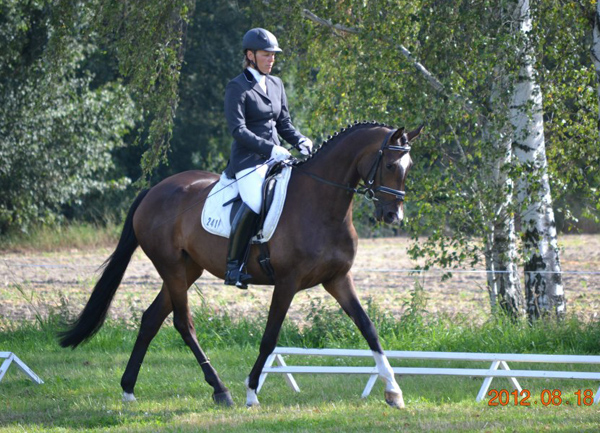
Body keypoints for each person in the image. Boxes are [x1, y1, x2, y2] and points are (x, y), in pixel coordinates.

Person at [223, 28, 313, 289]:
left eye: (273, 55)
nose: (271, 59)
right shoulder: (237, 86)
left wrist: (299, 139)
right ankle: (233, 267)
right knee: (254, 200)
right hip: (248, 161)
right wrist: (270, 149)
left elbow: (284, 122)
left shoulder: (276, 84)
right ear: (250, 55)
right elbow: (238, 130)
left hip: (277, 157)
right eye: (266, 55)